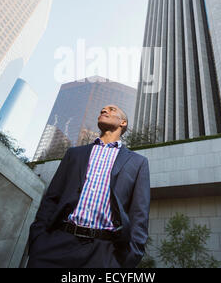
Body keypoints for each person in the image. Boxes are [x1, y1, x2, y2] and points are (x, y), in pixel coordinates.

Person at [26, 104, 151, 268]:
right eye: (102, 110)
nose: (104, 111)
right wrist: (39, 239)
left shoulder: (137, 162)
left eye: (112, 110)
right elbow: (52, 197)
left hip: (104, 253)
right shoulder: (75, 154)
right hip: (57, 244)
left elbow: (139, 213)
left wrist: (129, 258)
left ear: (123, 123)